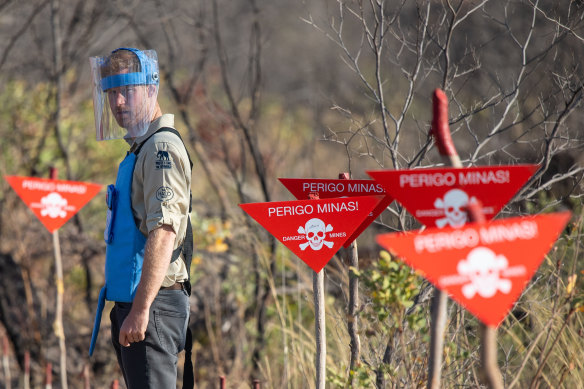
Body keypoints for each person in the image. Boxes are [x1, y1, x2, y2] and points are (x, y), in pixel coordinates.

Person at [88, 47, 194, 389]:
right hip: (139, 304)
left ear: (151, 89)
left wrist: (141, 310)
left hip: (153, 305)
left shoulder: (160, 148)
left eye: (127, 91)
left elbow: (164, 232)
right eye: (112, 93)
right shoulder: (142, 148)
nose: (119, 103)